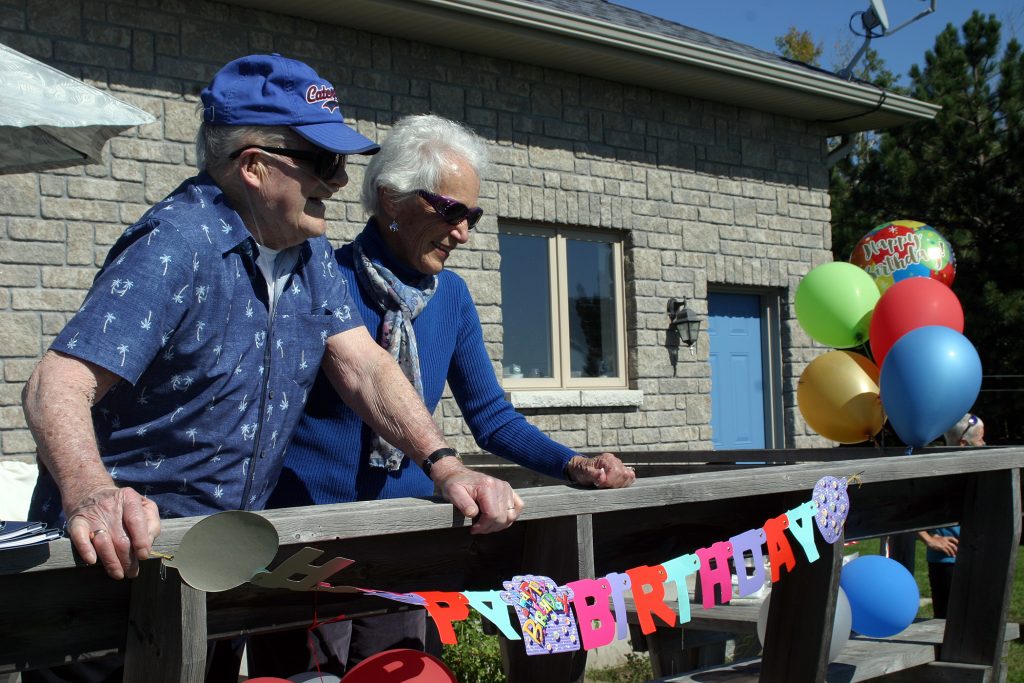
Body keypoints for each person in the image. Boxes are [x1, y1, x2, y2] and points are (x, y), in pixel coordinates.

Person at [21, 57, 522, 683]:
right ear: (253, 166)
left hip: (216, 569)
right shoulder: (178, 242)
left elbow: (365, 366)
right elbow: (55, 382)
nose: (339, 182)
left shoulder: (308, 252)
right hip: (118, 574)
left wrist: (444, 465)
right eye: (322, 162)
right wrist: (92, 494)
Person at [246, 114, 635, 678]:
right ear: (391, 199)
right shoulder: (318, 274)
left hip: (407, 541)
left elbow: (492, 418)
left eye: (471, 216)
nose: (463, 233)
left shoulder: (450, 296)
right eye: (451, 211)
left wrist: (571, 463)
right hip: (308, 540)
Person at [917, 412, 986, 618]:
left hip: (978, 557)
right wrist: (929, 539)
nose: (984, 443)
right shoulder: (936, 471)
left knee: (977, 623)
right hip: (948, 562)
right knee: (947, 624)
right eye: (981, 438)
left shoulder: (982, 469)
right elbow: (905, 510)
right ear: (964, 442)